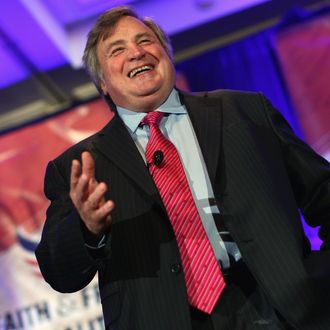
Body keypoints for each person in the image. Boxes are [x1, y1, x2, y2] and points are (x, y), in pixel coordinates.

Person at [35, 6, 330, 330]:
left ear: (166, 55)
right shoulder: (79, 166)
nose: (136, 52)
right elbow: (58, 272)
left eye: (145, 41)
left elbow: (323, 193)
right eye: (117, 50)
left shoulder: (244, 111)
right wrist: (86, 229)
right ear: (102, 81)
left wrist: (317, 280)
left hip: (283, 311)